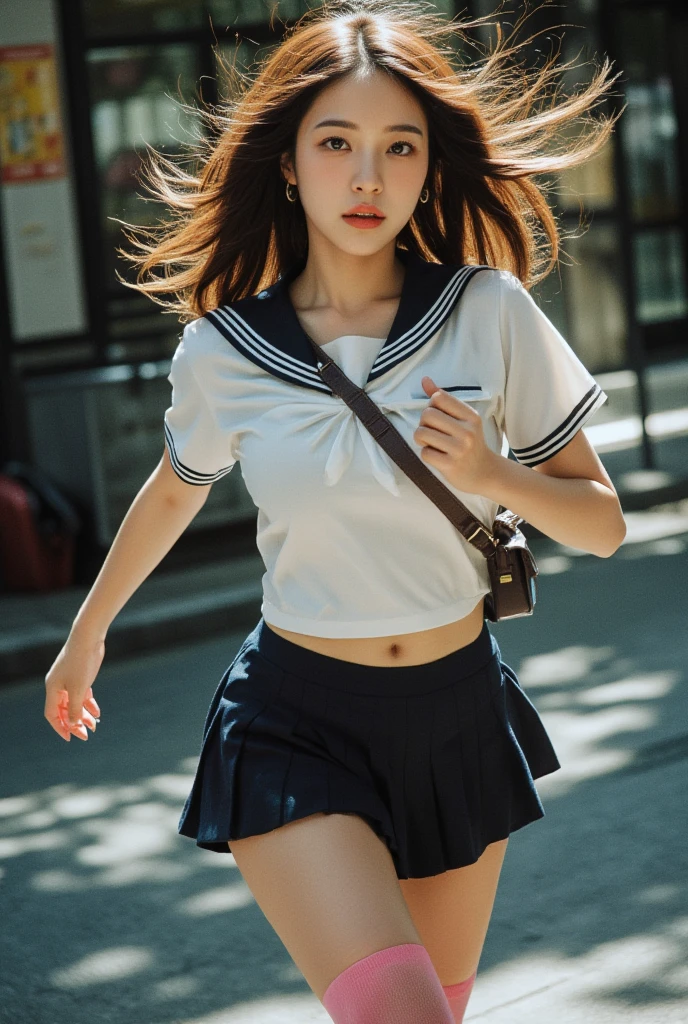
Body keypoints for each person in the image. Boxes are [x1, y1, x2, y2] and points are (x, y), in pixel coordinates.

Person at [44, 2, 627, 1021]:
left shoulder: (486, 312)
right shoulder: (226, 350)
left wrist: (496, 472)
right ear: (288, 162)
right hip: (295, 720)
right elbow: (176, 485)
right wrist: (84, 635)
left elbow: (601, 523)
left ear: (427, 167)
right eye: (337, 143)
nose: (367, 177)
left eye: (398, 147)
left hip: (456, 715)